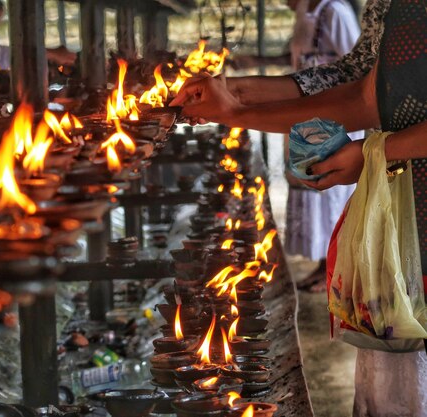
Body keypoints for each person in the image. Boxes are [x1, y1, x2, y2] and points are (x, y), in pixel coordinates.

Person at [171, 0, 427, 414]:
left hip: (409, 186)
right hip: (405, 208)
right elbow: (363, 90)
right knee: (400, 363)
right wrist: (236, 99)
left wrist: (379, 150)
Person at [283, 0, 361, 291]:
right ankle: (322, 267)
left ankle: (336, 272)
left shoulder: (335, 12)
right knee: (316, 187)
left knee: (334, 194)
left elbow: (356, 65)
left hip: (335, 120)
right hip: (312, 120)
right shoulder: (310, 15)